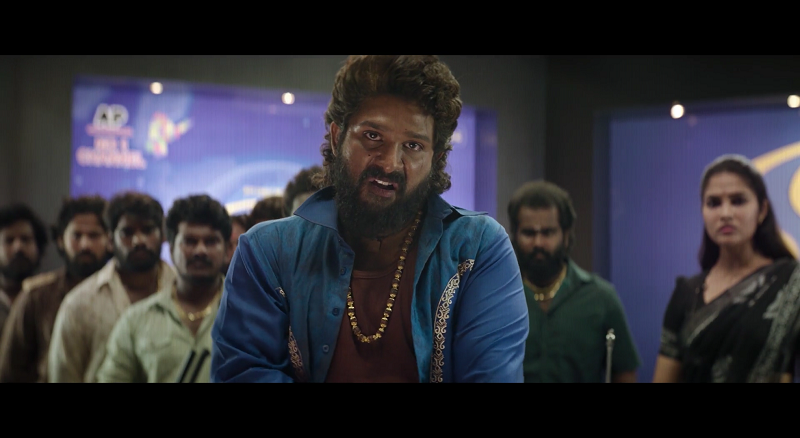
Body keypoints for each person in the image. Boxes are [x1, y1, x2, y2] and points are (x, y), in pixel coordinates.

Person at [211, 55, 529, 383]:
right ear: (337, 138)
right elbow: (242, 373)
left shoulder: (477, 249)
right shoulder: (267, 253)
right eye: (373, 136)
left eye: (413, 145)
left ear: (435, 159)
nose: (390, 163)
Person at [653, 154, 800, 383]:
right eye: (714, 203)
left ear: (762, 210)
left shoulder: (792, 283)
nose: (725, 214)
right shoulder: (686, 294)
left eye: (738, 201)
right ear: (703, 212)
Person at [508, 180, 640, 382]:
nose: (538, 243)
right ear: (514, 235)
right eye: (529, 233)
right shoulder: (498, 298)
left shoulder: (600, 298)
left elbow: (625, 374)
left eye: (548, 232)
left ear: (566, 235)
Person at [97, 195, 230, 383]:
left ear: (227, 250)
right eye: (190, 241)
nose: (200, 250)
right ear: (171, 248)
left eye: (211, 241)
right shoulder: (135, 320)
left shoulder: (249, 314)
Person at [48, 191, 175, 383]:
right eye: (127, 232)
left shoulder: (184, 293)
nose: (138, 241)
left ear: (163, 236)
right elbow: (64, 376)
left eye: (148, 230)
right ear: (110, 239)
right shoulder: (80, 302)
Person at [0, 195, 111, 382]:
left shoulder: (123, 293)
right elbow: (11, 372)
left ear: (110, 240)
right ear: (61, 239)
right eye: (77, 235)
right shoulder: (36, 297)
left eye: (94, 235)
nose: (85, 244)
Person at [0, 203, 48, 341]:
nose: (18, 247)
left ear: (38, 246)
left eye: (25, 239)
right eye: (9, 240)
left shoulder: (50, 298)